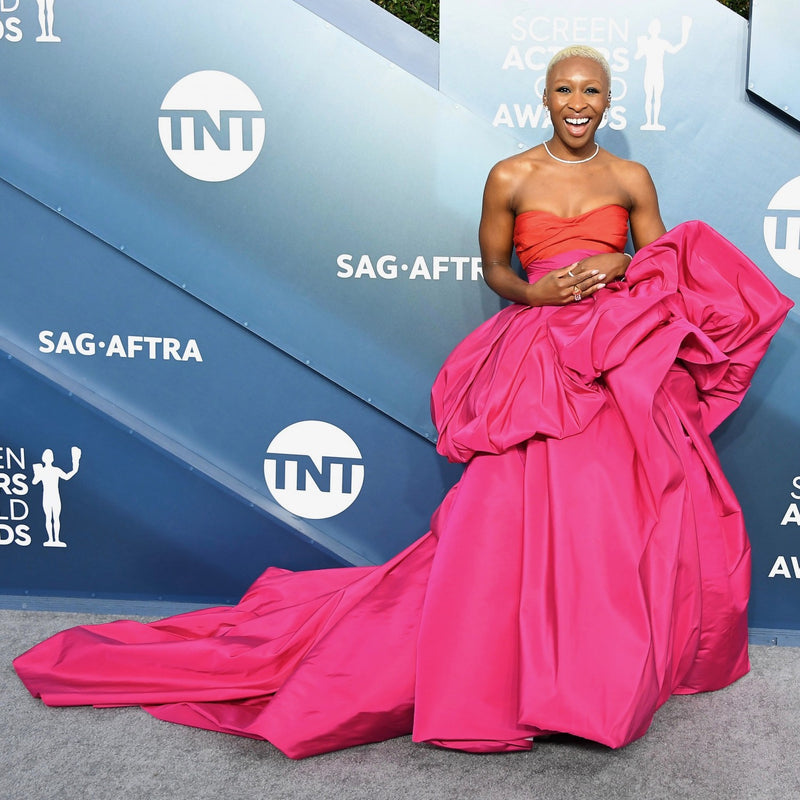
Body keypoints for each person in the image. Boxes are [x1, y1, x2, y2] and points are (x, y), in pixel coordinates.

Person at [13, 46, 793, 758]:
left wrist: (616, 270)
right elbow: (496, 272)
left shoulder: (630, 180)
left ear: (609, 100)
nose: (579, 101)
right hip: (539, 357)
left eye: (592, 90)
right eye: (565, 89)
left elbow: (660, 263)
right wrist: (540, 289)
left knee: (612, 516)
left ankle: (597, 675)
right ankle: (511, 675)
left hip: (615, 357)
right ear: (545, 97)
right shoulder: (509, 177)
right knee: (509, 524)